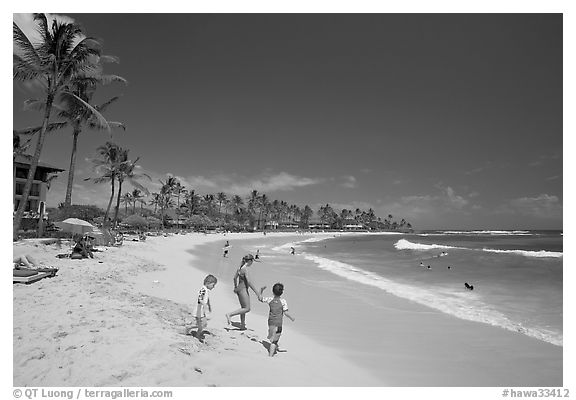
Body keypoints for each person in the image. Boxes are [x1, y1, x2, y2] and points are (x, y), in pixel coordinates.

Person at [225, 254, 265, 330]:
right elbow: (249, 282)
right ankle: (229, 314)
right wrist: (257, 293)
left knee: (243, 308)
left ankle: (243, 325)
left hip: (239, 289)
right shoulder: (245, 269)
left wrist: (235, 287)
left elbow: (234, 278)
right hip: (243, 289)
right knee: (247, 308)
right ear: (250, 261)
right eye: (252, 261)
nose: (252, 263)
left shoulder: (240, 267)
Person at [259, 283, 295, 357]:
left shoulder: (269, 299)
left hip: (270, 322)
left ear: (272, 291)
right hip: (278, 324)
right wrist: (291, 318)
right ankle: (270, 355)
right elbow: (286, 313)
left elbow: (260, 298)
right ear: (282, 292)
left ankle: (270, 335)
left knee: (272, 333)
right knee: (274, 342)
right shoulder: (283, 301)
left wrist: (261, 290)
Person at [189, 274, 218, 342]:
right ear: (208, 283)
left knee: (202, 324)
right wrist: (204, 304)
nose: (213, 287)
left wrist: (209, 305)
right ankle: (195, 333)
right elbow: (200, 299)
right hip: (199, 310)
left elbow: (207, 299)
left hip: (202, 311)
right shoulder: (203, 289)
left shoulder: (206, 290)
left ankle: (197, 334)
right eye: (213, 285)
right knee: (202, 324)